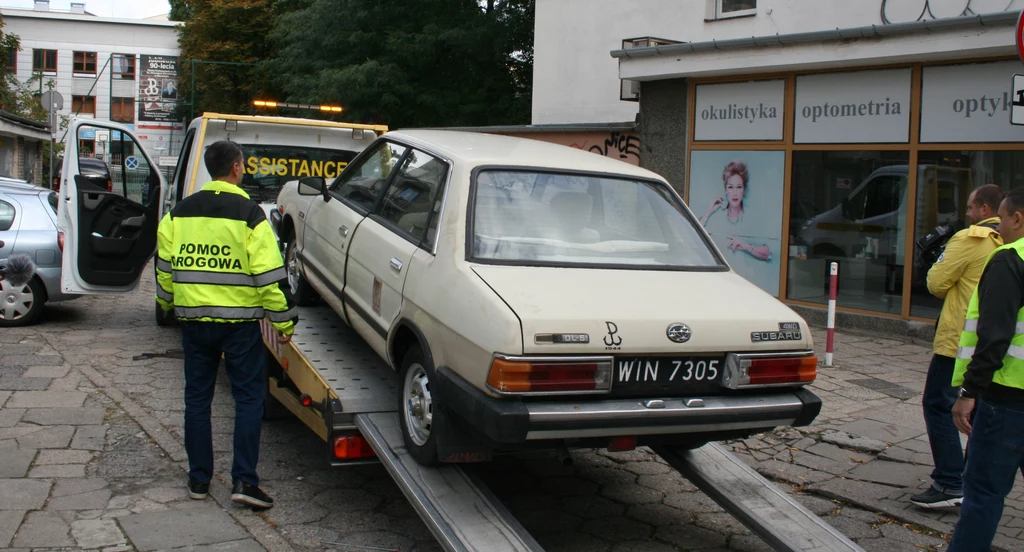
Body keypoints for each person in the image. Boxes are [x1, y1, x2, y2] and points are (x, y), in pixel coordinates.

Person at [155, 140, 296, 510]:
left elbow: (164, 271)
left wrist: (167, 305)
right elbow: (269, 276)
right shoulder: (250, 215)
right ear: (236, 168)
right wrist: (284, 322)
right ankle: (245, 482)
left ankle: (199, 480)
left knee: (197, 400)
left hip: (193, 323)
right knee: (248, 399)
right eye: (243, 164)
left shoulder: (178, 214)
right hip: (240, 327)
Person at [911, 184, 1003, 509]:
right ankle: (977, 480)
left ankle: (951, 482)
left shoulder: (970, 238)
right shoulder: (1011, 242)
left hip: (959, 340)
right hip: (999, 342)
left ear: (984, 209)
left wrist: (938, 260)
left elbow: (936, 283)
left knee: (939, 404)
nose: (966, 214)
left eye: (970, 207)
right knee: (981, 410)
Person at [946, 187, 1024, 551]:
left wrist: (968, 393)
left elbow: (994, 337)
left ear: (1017, 219)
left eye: (1003, 219)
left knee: (983, 495)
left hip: (1006, 400)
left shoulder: (1010, 259)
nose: (1000, 228)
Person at [699, 160, 772, 262]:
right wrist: (708, 212)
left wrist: (745, 246)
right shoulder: (716, 216)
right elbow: (693, 237)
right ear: (725, 190)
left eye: (738, 187)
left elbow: (767, 253)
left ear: (744, 190)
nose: (734, 193)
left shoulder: (751, 217)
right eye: (730, 187)